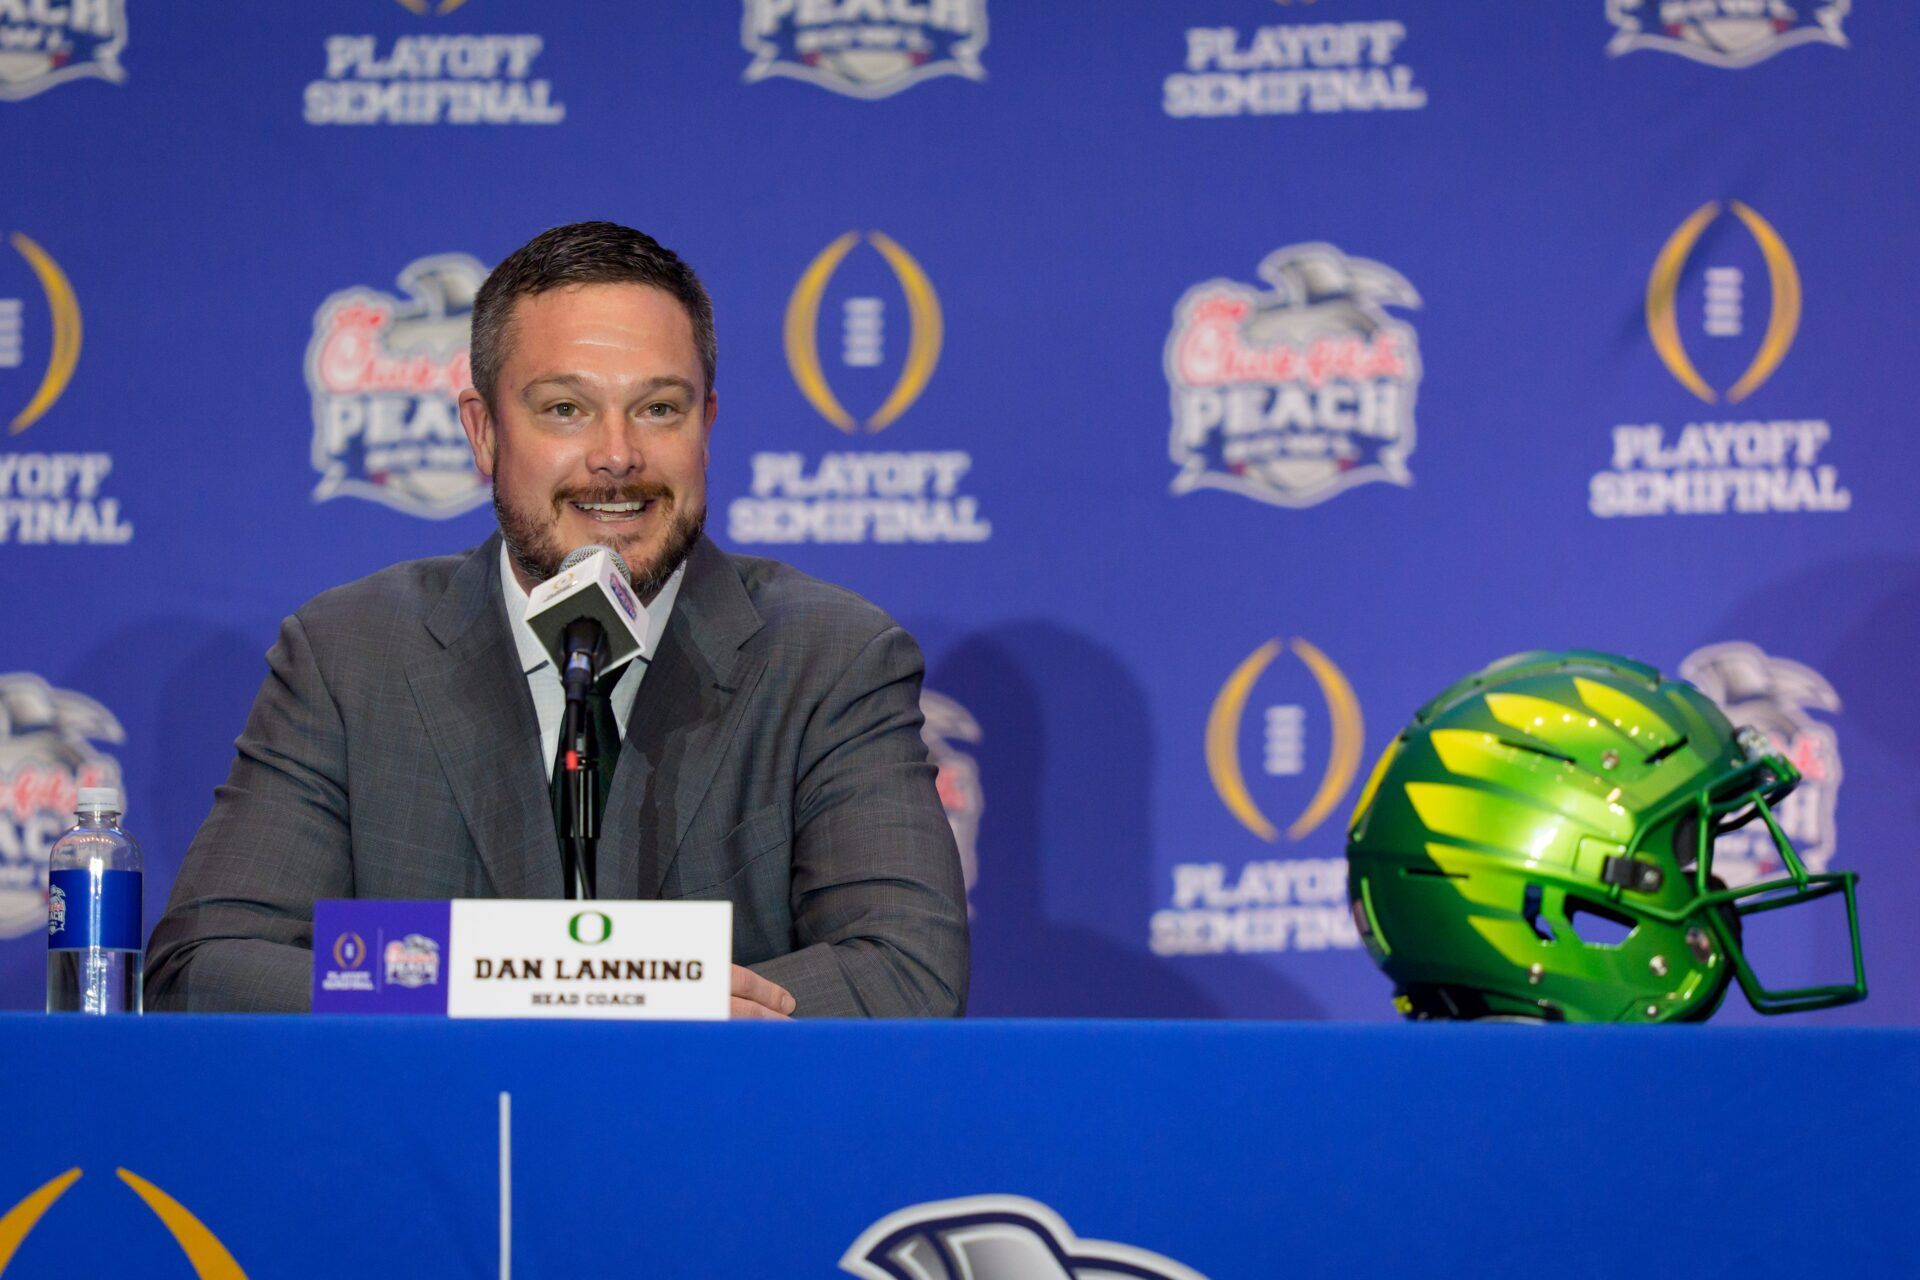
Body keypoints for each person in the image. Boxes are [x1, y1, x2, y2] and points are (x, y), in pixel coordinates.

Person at [146, 222, 969, 1017]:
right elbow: (207, 965)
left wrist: (647, 1014)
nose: (617, 455)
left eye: (658, 409)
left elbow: (907, 972)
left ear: (707, 427)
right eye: (565, 409)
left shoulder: (830, 658)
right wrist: (533, 991)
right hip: (439, 1150)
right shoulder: (349, 656)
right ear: (483, 432)